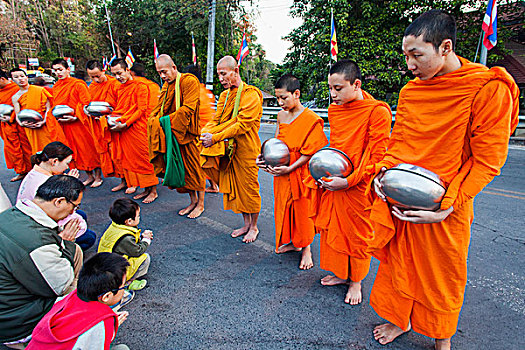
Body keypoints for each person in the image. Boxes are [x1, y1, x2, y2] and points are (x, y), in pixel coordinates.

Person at [369, 10, 519, 350]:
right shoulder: (411, 91)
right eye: (406, 55)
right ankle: (399, 319)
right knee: (399, 264)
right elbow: (400, 144)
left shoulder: (486, 89)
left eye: (417, 55)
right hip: (403, 195)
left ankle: (441, 336)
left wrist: (446, 207)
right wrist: (383, 174)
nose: (409, 64)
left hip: (448, 201)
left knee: (442, 276)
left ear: (445, 47)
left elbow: (488, 161)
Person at [305, 60, 391, 304]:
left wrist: (350, 181)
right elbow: (338, 148)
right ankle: (342, 274)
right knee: (335, 231)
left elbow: (376, 157)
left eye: (338, 88)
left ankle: (356, 282)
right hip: (337, 180)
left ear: (356, 84)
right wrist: (325, 172)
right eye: (330, 88)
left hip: (360, 187)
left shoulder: (378, 112)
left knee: (357, 236)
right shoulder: (335, 109)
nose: (333, 95)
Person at [0, 175, 84, 348]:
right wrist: (67, 243)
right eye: (74, 207)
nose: (72, 213)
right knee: (83, 292)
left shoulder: (10, 215)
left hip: (8, 301)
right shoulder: (37, 243)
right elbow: (61, 284)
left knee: (76, 253)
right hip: (16, 322)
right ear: (59, 201)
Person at [256, 74, 327, 269]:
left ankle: (306, 249)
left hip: (300, 172)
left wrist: (291, 168)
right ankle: (292, 242)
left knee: (303, 211)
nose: (280, 103)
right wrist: (264, 158)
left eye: (283, 98)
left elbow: (311, 153)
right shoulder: (281, 115)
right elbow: (276, 143)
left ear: (296, 94)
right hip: (282, 171)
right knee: (284, 208)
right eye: (277, 98)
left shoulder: (312, 119)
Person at [200, 56, 263, 243]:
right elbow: (217, 120)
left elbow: (241, 125)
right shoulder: (226, 96)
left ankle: (254, 227)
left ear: (235, 71)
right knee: (236, 189)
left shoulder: (251, 94)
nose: (220, 78)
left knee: (249, 189)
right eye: (218, 74)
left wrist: (215, 137)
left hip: (247, 150)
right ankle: (245, 223)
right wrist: (206, 132)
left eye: (223, 73)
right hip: (228, 151)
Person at [27, 252, 131, 350]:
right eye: (123, 286)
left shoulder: (66, 298)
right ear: (106, 296)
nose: (124, 289)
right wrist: (109, 330)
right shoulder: (101, 323)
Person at [148, 55, 206, 218]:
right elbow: (160, 108)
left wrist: (165, 122)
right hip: (173, 134)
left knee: (195, 169)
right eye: (159, 73)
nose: (162, 76)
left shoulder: (189, 81)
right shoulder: (167, 86)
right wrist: (153, 121)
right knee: (184, 172)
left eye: (164, 71)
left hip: (187, 134)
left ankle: (200, 204)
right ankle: (193, 201)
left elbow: (189, 108)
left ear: (174, 67)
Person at [17, 141, 96, 251]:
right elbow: (55, 209)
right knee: (89, 237)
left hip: (26, 219)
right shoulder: (45, 182)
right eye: (67, 163)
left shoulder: (35, 173)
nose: (67, 167)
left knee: (81, 215)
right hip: (38, 228)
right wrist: (68, 185)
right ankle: (67, 252)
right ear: (54, 161)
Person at [110, 59, 158, 203]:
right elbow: (121, 107)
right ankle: (145, 188)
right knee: (132, 161)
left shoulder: (140, 86)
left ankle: (153, 191)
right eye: (114, 75)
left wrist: (125, 124)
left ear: (127, 70)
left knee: (144, 159)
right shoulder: (120, 88)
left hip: (138, 128)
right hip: (125, 129)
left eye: (119, 73)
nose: (118, 77)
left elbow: (141, 109)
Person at [51, 58, 101, 186]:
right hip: (65, 124)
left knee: (88, 150)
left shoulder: (78, 84)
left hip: (79, 123)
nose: (58, 73)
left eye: (60, 69)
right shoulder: (56, 87)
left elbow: (86, 104)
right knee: (74, 151)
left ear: (68, 69)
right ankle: (89, 176)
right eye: (56, 70)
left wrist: (75, 116)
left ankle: (98, 177)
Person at [10, 68, 68, 154]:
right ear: (12, 80)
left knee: (52, 148)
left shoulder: (39, 90)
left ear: (26, 77)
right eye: (16, 77)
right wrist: (22, 124)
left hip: (45, 124)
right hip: (30, 127)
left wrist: (43, 121)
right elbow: (18, 114)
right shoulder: (15, 97)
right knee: (38, 151)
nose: (20, 79)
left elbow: (48, 108)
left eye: (22, 76)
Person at [98, 198, 152, 289]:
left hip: (103, 266)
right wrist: (146, 240)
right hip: (115, 273)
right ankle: (127, 283)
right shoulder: (125, 238)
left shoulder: (114, 227)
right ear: (129, 221)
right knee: (145, 258)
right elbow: (137, 251)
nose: (139, 217)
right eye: (138, 216)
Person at [184, 64, 219, 193]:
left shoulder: (194, 92)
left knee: (198, 167)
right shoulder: (206, 92)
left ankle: (200, 203)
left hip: (200, 134)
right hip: (209, 132)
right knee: (207, 163)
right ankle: (214, 186)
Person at [85, 59, 121, 184]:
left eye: (98, 76)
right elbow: (88, 103)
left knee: (118, 152)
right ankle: (120, 180)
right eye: (92, 77)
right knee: (102, 150)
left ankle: (128, 181)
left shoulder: (114, 83)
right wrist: (88, 111)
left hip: (112, 123)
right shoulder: (92, 87)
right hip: (98, 124)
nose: (95, 79)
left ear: (104, 70)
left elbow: (121, 103)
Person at [0, 68, 32, 181]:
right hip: (7, 127)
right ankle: (21, 171)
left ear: (3, 79)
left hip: (20, 125)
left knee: (27, 149)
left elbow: (25, 107)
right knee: (12, 151)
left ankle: (32, 171)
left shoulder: (16, 90)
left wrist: (11, 117)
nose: (20, 79)